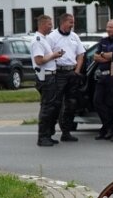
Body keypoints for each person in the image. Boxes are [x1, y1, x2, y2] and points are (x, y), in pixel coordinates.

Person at [47, 13, 85, 142]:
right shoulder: (52, 37)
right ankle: (49, 131)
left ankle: (66, 131)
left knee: (71, 104)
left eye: (73, 22)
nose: (72, 25)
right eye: (70, 22)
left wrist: (77, 70)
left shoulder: (74, 37)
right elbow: (47, 55)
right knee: (55, 103)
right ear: (63, 22)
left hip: (72, 72)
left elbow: (80, 54)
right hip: (59, 73)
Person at [30, 15, 63, 147]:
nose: (51, 26)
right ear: (42, 25)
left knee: (53, 106)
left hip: (51, 76)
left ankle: (48, 134)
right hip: (45, 77)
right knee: (47, 108)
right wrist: (54, 55)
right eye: (49, 24)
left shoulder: (44, 39)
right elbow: (39, 60)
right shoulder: (38, 40)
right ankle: (42, 137)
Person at [92, 19, 113, 140]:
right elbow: (95, 57)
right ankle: (108, 126)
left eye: (111, 27)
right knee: (97, 102)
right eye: (108, 27)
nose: (108, 29)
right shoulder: (103, 41)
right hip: (102, 76)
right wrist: (107, 57)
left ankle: (107, 128)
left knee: (109, 104)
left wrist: (105, 56)